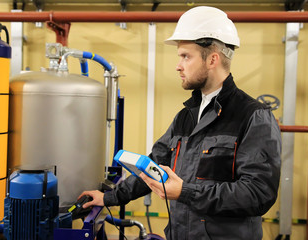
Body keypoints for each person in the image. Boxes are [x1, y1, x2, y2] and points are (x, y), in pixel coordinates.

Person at [79, 6, 281, 240]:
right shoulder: (186, 117)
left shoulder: (252, 116)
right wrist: (109, 197)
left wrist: (186, 192)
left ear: (212, 59)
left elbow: (257, 194)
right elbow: (153, 167)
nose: (178, 65)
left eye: (186, 56)